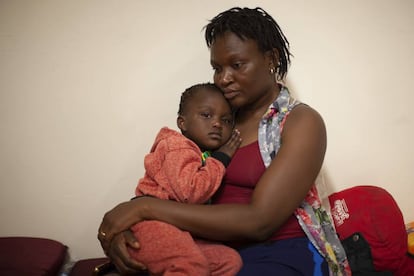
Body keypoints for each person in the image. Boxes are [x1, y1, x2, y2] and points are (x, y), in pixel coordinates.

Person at [98, 7, 351, 275]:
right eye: (217, 68)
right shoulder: (215, 121)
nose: (223, 78)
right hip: (206, 247)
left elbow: (259, 221)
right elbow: (173, 182)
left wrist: (144, 208)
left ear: (271, 59)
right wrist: (131, 231)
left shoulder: (301, 122)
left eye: (236, 65)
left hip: (281, 251)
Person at [127, 83, 242, 275]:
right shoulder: (177, 146)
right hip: (152, 226)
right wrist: (221, 159)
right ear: (182, 123)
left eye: (227, 120)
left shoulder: (202, 152)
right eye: (206, 115)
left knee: (229, 260)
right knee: (190, 265)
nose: (217, 124)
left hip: (180, 231)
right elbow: (190, 193)